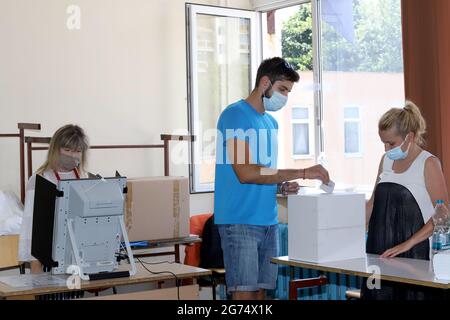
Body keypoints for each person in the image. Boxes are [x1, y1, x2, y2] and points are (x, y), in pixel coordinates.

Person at [214, 57, 330, 300]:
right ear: (265, 82)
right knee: (244, 297)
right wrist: (302, 172)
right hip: (240, 222)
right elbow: (245, 172)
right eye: (282, 89)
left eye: (288, 91)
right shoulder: (235, 115)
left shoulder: (271, 123)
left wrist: (280, 185)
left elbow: (263, 171)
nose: (285, 97)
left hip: (268, 221)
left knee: (261, 296)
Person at [362, 101, 449, 300]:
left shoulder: (428, 163)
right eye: (383, 142)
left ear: (409, 137)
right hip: (380, 253)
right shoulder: (386, 161)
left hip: (415, 256)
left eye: (391, 143)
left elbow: (443, 214)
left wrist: (407, 244)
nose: (386, 148)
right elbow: (373, 202)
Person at [18, 124, 89, 273]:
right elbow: (31, 228)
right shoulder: (40, 180)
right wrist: (36, 270)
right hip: (48, 260)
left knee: (76, 294)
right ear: (55, 150)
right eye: (67, 150)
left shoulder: (84, 177)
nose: (72, 155)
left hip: (77, 258)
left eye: (77, 151)